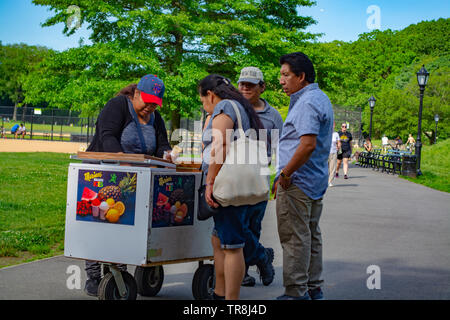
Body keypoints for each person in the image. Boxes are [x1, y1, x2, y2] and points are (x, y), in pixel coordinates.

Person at [83, 74, 172, 296]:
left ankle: (117, 272)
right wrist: (124, 160)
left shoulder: (155, 117)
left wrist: (167, 155)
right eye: (147, 101)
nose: (150, 107)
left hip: (135, 179)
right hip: (105, 173)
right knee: (100, 223)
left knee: (125, 224)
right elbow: (107, 137)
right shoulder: (117, 106)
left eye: (155, 103)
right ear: (136, 93)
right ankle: (95, 277)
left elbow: (162, 145)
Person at [199, 74, 272, 300]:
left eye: (202, 100)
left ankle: (229, 299)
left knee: (232, 247)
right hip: (245, 188)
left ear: (210, 94)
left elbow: (220, 144)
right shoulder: (241, 106)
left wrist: (210, 181)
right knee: (219, 239)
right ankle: (220, 293)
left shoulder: (224, 108)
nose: (204, 105)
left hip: (228, 187)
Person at [273, 52, 333, 300]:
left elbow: (307, 145)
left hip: (297, 182)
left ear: (302, 76)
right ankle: (313, 287)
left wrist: (285, 173)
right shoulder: (319, 98)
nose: (281, 80)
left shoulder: (307, 102)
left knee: (295, 238)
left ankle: (296, 293)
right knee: (310, 235)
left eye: (286, 75)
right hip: (313, 181)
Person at [237, 66, 283, 287]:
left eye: (250, 85)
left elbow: (282, 148)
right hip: (235, 175)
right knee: (239, 224)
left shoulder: (273, 116)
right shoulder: (233, 109)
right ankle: (262, 257)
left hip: (260, 174)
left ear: (262, 87)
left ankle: (244, 271)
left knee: (253, 225)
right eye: (242, 84)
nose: (245, 88)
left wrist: (280, 175)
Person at [328, 122, 341, 187]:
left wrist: (338, 146)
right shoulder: (325, 132)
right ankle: (324, 181)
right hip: (325, 153)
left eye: (333, 125)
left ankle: (329, 181)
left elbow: (339, 142)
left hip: (333, 152)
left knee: (332, 168)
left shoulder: (336, 134)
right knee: (325, 168)